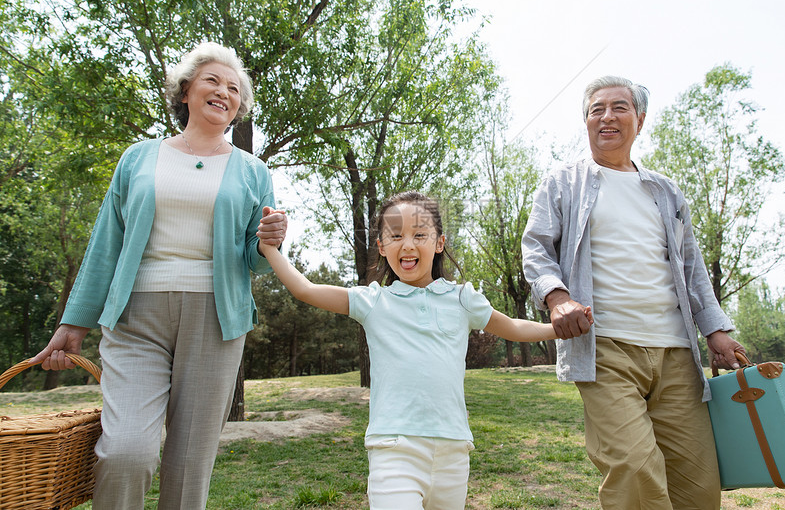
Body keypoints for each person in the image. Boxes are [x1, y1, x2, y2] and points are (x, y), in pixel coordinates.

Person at [30, 41, 287, 510]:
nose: (223, 92)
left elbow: (253, 258)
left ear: (238, 108)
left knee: (189, 465)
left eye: (234, 89)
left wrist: (269, 239)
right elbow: (107, 242)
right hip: (136, 317)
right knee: (127, 451)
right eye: (212, 80)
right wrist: (75, 322)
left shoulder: (253, 171)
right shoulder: (138, 158)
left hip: (217, 319)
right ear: (185, 89)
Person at [257, 190, 565, 510]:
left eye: (420, 234)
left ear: (439, 242)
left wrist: (559, 328)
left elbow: (514, 327)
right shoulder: (373, 301)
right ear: (381, 246)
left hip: (453, 452)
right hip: (394, 451)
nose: (407, 244)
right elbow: (305, 289)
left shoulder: (463, 299)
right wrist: (270, 249)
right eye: (396, 236)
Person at [521, 76, 746, 509]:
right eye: (596, 109)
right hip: (605, 348)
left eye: (619, 107)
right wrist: (557, 297)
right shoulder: (563, 183)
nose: (607, 117)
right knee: (635, 468)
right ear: (585, 122)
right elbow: (535, 248)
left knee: (697, 486)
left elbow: (691, 267)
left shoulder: (666, 191)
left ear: (639, 121)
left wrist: (715, 330)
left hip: (677, 352)